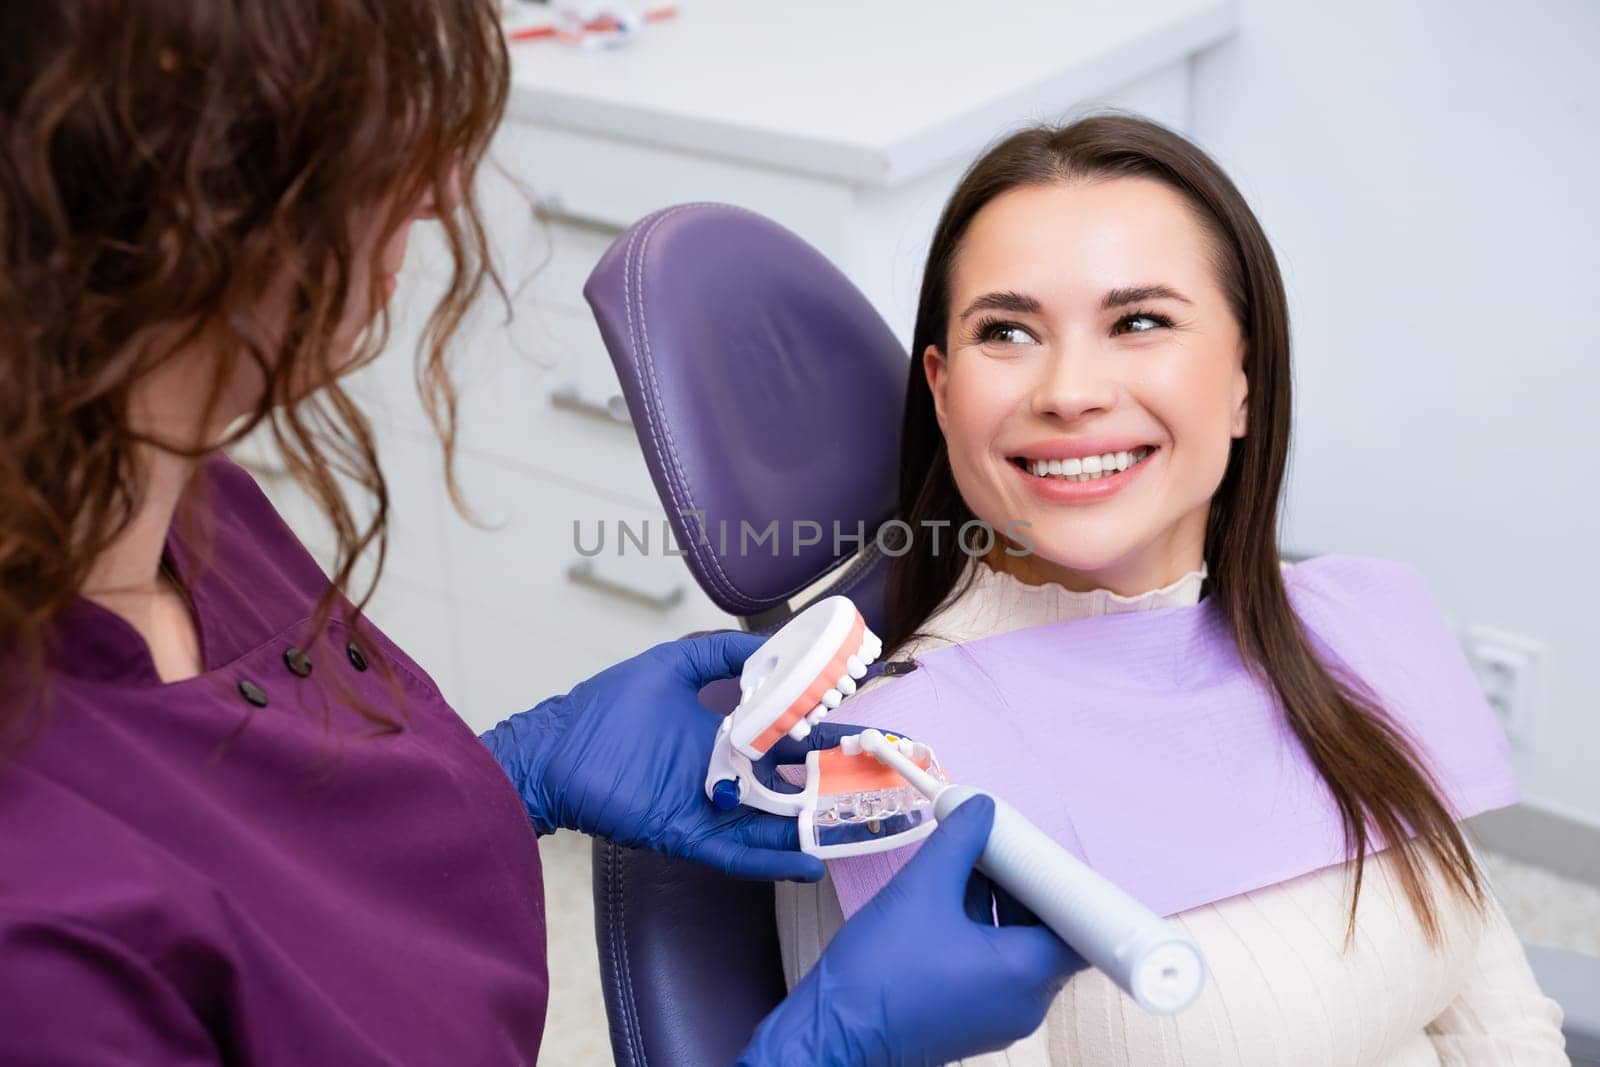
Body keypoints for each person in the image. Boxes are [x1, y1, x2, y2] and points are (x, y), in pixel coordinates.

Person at [0, 2, 1083, 1063]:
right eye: (373, 127)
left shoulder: (194, 508)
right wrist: (825, 1046)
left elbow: (265, 869)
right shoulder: (39, 952)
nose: (438, 192)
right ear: (180, 172)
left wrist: (511, 769)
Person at [775, 116, 1570, 1065]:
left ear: (1243, 380)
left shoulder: (1353, 628)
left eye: (1139, 321)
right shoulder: (893, 762)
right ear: (943, 392)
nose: (1071, 390)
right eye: (1008, 331)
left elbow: (1501, 1021)